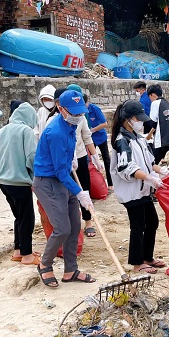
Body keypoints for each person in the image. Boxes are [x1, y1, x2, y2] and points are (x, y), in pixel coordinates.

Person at [33, 89, 97, 288]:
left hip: (64, 177)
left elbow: (64, 163)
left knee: (75, 226)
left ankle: (71, 270)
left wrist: (71, 162)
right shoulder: (56, 132)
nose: (79, 117)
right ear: (61, 109)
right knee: (62, 229)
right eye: (74, 113)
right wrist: (80, 192)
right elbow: (59, 172)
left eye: (81, 113)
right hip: (48, 182)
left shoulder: (70, 126)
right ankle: (45, 264)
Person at [110, 100, 168, 273]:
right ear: (128, 119)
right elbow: (127, 167)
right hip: (131, 191)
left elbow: (150, 162)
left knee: (152, 222)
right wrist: (150, 178)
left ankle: (147, 257)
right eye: (138, 119)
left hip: (143, 189)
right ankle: (137, 263)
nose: (141, 122)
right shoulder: (122, 141)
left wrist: (161, 171)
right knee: (138, 226)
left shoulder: (139, 139)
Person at [0, 102, 39, 265]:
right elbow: (32, 156)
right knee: (27, 218)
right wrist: (36, 177)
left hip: (4, 182)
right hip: (19, 182)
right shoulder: (26, 131)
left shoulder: (2, 131)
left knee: (19, 217)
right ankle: (27, 255)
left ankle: (18, 251)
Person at [66, 84, 104, 238]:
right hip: (65, 158)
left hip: (80, 156)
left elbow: (86, 136)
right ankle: (71, 223)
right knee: (68, 192)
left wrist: (95, 157)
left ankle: (88, 221)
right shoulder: (57, 118)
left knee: (84, 189)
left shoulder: (82, 116)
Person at [84, 94, 113, 191]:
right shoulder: (81, 112)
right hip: (89, 140)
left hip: (100, 137)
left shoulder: (95, 109)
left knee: (106, 159)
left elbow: (104, 124)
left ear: (88, 102)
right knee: (89, 160)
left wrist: (93, 130)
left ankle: (110, 183)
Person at [148, 84, 169, 164]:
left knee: (151, 163)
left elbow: (153, 123)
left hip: (161, 140)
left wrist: (149, 135)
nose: (150, 100)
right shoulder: (168, 104)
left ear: (152, 95)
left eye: (149, 97)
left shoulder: (155, 103)